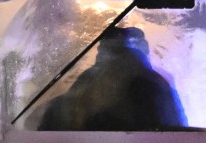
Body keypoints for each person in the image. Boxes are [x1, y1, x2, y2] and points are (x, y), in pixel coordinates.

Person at [37, 25, 188, 132]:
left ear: (102, 51)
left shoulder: (84, 84)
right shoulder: (156, 84)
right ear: (144, 50)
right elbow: (179, 132)